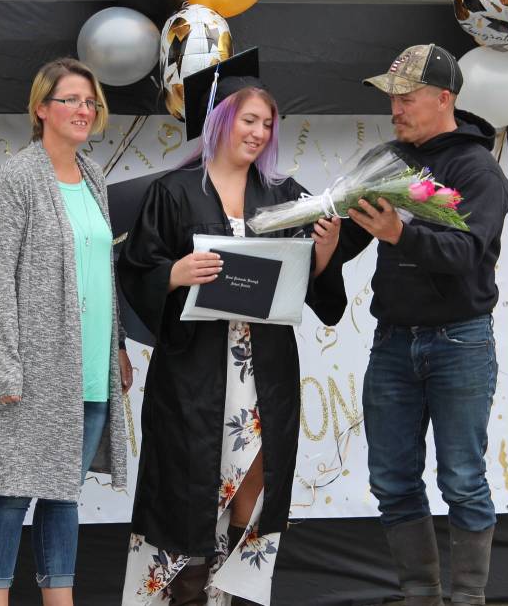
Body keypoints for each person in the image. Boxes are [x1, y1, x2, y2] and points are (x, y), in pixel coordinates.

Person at [117, 49, 347, 606]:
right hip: (194, 371)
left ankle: (239, 597)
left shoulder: (288, 196)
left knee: (254, 490)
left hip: (262, 370)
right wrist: (173, 273)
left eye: (268, 124)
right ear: (219, 119)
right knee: (187, 487)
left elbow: (318, 294)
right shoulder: (174, 193)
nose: (261, 132)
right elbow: (136, 270)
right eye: (249, 119)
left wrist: (326, 253)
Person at [0, 57, 133, 606]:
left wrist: (116, 347)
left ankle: (60, 600)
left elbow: (103, 271)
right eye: (70, 99)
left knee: (62, 495)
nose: (82, 109)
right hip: (34, 368)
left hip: (90, 364)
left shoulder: (93, 175)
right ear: (41, 108)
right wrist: (5, 362)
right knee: (11, 492)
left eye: (90, 101)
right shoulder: (16, 179)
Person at [336, 44, 508, 606]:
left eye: (406, 97)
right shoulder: (386, 159)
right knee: (391, 479)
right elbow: (345, 237)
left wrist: (400, 235)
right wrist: (314, 240)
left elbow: (466, 253)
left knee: (462, 478)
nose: (396, 108)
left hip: (459, 340)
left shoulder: (478, 169)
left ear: (444, 99)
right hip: (392, 341)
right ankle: (420, 595)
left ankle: (466, 599)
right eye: (391, 98)